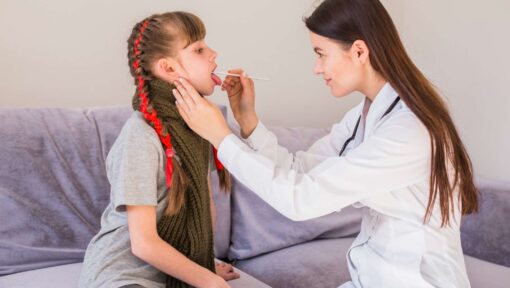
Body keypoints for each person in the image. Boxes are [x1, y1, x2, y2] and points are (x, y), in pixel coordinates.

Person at [171, 0, 479, 287]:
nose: (317, 68)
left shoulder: (409, 131)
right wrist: (248, 120)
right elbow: (299, 169)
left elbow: (301, 200)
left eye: (321, 53)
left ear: (359, 51)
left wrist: (220, 137)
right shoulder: (363, 114)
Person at [79, 11, 240, 288]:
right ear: (168, 69)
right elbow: (143, 244)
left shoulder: (199, 127)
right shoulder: (141, 135)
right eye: (199, 49)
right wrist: (210, 282)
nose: (214, 53)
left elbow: (203, 206)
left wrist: (203, 263)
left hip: (167, 276)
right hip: (125, 275)